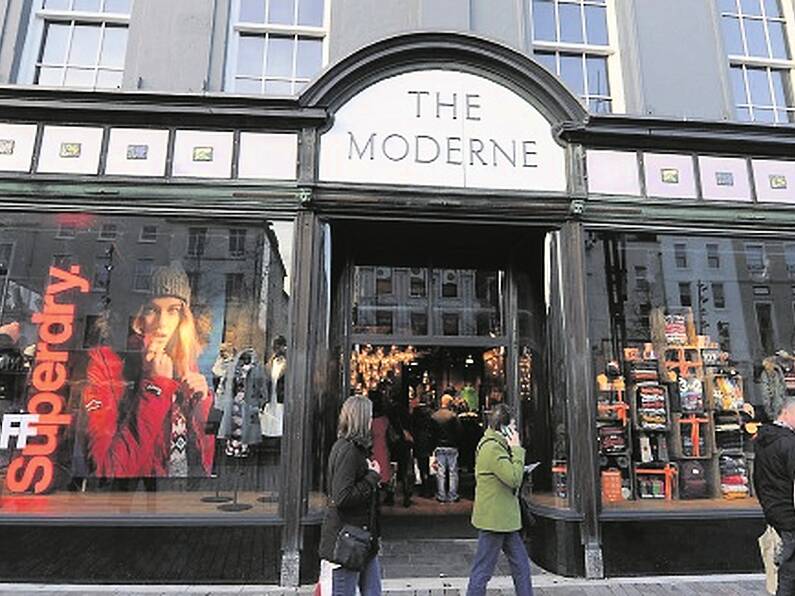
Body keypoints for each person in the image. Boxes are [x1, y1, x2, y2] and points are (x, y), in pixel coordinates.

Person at [82, 261, 214, 479]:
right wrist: (155, 388)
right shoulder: (107, 363)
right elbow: (107, 471)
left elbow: (200, 460)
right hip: (133, 506)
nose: (162, 323)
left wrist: (203, 404)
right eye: (153, 310)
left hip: (181, 501)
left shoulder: (186, 362)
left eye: (173, 311)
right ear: (139, 316)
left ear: (184, 318)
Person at [319, 395, 383, 595]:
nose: (372, 421)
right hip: (348, 541)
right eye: (370, 416)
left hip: (362, 538)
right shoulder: (348, 450)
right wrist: (372, 477)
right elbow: (342, 497)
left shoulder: (353, 448)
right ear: (362, 419)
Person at [466, 404, 532, 596]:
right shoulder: (493, 449)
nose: (515, 430)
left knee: (521, 566)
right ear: (503, 427)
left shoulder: (494, 445)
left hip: (504, 518)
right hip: (495, 519)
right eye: (512, 425)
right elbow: (513, 478)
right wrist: (517, 450)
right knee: (483, 570)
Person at [754, 395, 795, 595]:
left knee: (787, 565)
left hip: (775, 509)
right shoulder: (788, 443)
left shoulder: (764, 440)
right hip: (788, 512)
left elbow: (758, 478)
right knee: (790, 568)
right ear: (786, 413)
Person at [431, 394, 461, 502]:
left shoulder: (434, 416)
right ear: (450, 403)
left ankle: (441, 495)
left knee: (441, 472)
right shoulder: (453, 416)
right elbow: (459, 431)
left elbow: (432, 433)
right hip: (452, 446)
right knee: (453, 472)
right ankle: (452, 495)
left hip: (439, 446)